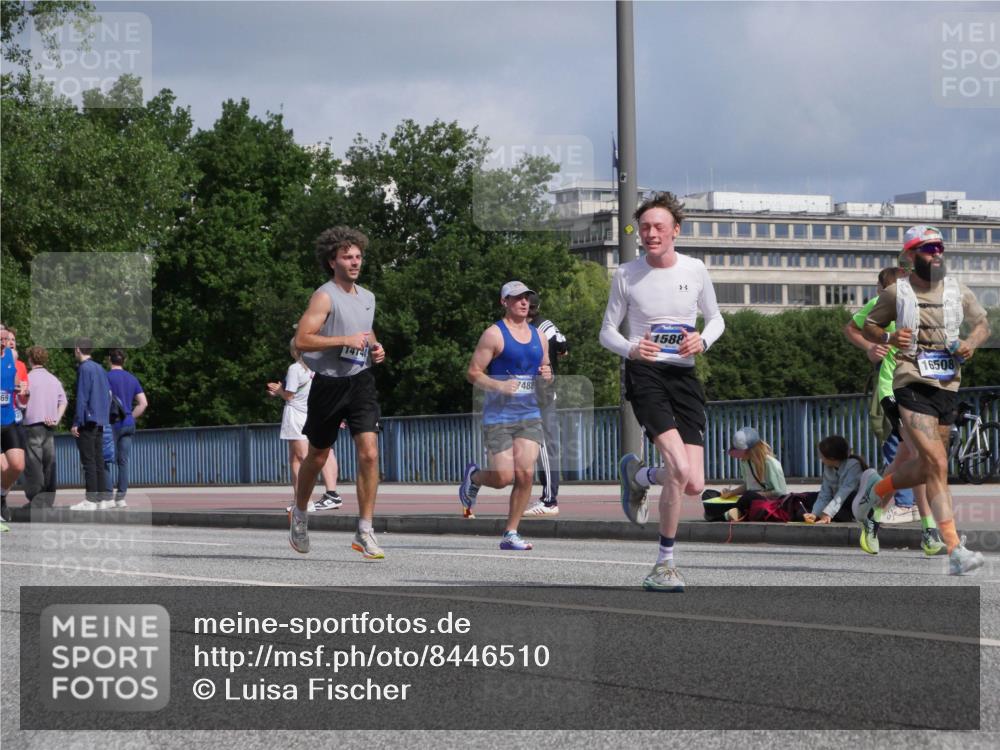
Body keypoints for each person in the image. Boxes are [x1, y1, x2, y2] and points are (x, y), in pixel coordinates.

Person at [599, 191, 725, 591]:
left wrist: (702, 341)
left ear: (676, 231)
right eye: (644, 228)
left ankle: (637, 474)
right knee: (680, 467)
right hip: (646, 375)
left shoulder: (695, 269)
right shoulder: (626, 274)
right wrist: (633, 347)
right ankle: (664, 564)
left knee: (693, 483)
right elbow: (606, 332)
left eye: (658, 227)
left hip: (684, 377)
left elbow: (717, 319)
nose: (650, 234)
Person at [857, 225, 990, 574]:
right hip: (910, 383)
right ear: (911, 255)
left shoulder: (958, 290)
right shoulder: (895, 294)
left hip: (946, 386)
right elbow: (867, 325)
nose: (936, 254)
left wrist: (971, 344)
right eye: (928, 249)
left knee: (928, 466)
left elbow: (982, 324)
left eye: (939, 248)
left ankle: (878, 492)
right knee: (938, 464)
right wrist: (887, 335)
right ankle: (954, 548)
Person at [289, 226, 386, 557]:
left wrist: (375, 346)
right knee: (317, 455)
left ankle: (365, 530)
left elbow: (365, 330)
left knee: (370, 452)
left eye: (358, 256)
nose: (355, 261)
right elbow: (302, 340)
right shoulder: (324, 295)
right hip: (328, 382)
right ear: (333, 261)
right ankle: (300, 515)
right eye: (347, 256)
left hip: (360, 381)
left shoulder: (368, 297)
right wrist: (342, 340)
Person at [843, 265, 944, 555]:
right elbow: (851, 328)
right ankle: (928, 530)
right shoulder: (882, 303)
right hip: (894, 390)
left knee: (903, 460)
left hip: (923, 389)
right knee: (921, 456)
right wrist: (868, 347)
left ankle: (873, 513)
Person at [459, 281, 552, 550]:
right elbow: (473, 372)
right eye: (517, 298)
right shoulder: (494, 334)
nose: (524, 302)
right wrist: (499, 385)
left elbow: (544, 371)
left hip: (529, 414)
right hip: (499, 416)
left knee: (525, 474)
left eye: (527, 298)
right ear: (505, 302)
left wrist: (547, 375)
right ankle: (475, 477)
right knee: (503, 477)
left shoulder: (539, 337)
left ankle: (511, 532)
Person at [267, 339, 342, 512]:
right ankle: (320, 495)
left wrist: (278, 391)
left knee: (299, 458)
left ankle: (303, 501)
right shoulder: (320, 367)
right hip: (316, 413)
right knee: (319, 453)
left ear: (295, 351)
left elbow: (290, 396)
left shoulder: (295, 368)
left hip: (297, 416)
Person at [524, 291, 568, 516]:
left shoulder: (529, 330)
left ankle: (550, 500)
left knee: (544, 445)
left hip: (539, 393)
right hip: (539, 392)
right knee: (539, 445)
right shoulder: (548, 326)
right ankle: (546, 497)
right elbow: (563, 346)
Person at [69, 338, 113, 510]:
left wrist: (76, 422)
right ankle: (104, 498)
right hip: (101, 419)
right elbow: (108, 394)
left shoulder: (84, 368)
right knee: (98, 459)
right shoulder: (100, 368)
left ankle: (91, 499)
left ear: (78, 349)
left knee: (88, 460)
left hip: (87, 420)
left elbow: (82, 396)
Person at [22, 346, 67, 508]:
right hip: (49, 426)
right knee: (49, 463)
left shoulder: (27, 379)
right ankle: (48, 499)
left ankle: (36, 499)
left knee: (34, 464)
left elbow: (20, 401)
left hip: (32, 425)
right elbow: (63, 401)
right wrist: (56, 418)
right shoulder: (53, 379)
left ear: (30, 360)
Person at [105, 349, 148, 508]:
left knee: (105, 459)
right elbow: (143, 403)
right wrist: (130, 415)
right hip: (128, 423)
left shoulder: (106, 377)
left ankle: (108, 496)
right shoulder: (132, 378)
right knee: (123, 461)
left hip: (111, 423)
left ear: (109, 360)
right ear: (124, 361)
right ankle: (121, 498)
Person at [719, 427, 788, 520]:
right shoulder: (745, 462)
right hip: (749, 498)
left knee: (748, 496)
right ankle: (732, 512)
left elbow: (780, 492)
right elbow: (748, 485)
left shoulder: (771, 463)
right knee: (709, 494)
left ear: (751, 449)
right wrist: (731, 493)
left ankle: (730, 513)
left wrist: (758, 494)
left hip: (769, 502)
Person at [1, 323, 29, 529]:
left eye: (8, 339)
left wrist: (23, 392)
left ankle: (1, 495)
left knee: (18, 465)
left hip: (9, 419)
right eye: (2, 338)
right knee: (2, 467)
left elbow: (18, 387)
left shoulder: (12, 358)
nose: (5, 342)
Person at [801, 435, 866, 524]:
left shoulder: (854, 466)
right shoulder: (828, 468)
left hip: (854, 505)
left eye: (822, 456)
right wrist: (814, 514)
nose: (821, 459)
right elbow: (825, 494)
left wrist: (828, 513)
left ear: (832, 458)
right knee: (806, 507)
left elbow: (843, 493)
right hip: (838, 506)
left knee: (849, 498)